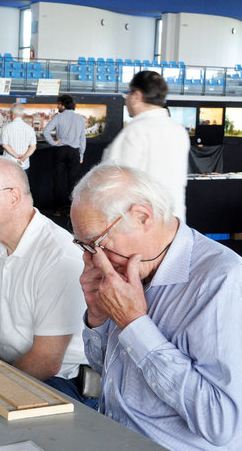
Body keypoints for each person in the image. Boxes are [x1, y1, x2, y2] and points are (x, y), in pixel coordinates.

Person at [71, 163, 242, 450]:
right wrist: (98, 318)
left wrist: (135, 324)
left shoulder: (222, 280)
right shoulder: (130, 269)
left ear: (142, 217)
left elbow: (222, 424)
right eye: (85, 246)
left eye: (97, 243)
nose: (94, 258)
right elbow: (108, 372)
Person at [0, 156, 93, 406]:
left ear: (13, 197)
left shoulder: (59, 256)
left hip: (62, 382)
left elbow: (47, 360)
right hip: (13, 366)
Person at [102, 71, 190, 220]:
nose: (126, 100)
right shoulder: (178, 129)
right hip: (173, 218)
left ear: (137, 96)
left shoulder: (135, 131)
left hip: (141, 221)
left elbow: (113, 182)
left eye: (127, 94)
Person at [42, 94, 86, 217]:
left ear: (63, 105)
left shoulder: (58, 117)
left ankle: (57, 210)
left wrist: (53, 143)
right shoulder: (80, 119)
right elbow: (83, 139)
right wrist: (81, 154)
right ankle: (71, 210)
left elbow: (45, 132)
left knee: (58, 180)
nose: (57, 106)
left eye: (59, 104)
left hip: (60, 150)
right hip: (74, 152)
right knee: (74, 181)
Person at [0, 103, 37, 174]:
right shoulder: (30, 129)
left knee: (9, 184)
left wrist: (16, 155)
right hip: (24, 164)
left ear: (12, 114)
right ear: (22, 115)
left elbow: (4, 145)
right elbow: (33, 147)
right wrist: (23, 157)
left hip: (9, 163)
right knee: (23, 184)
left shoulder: (6, 128)